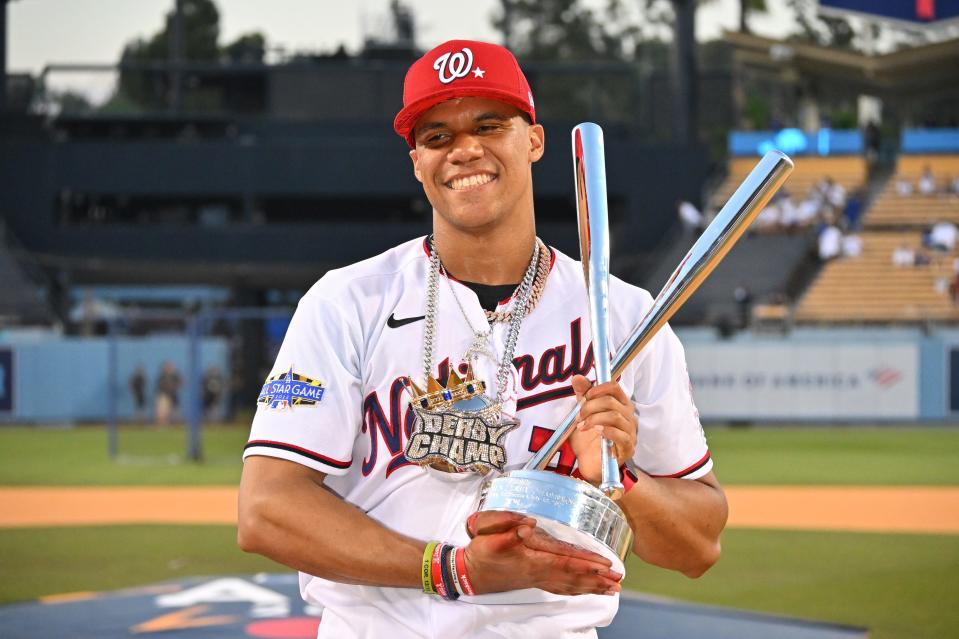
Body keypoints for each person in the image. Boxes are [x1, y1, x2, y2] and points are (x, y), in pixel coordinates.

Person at [238, 40, 726, 638]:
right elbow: (266, 512)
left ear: (535, 141)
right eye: (437, 136)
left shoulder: (623, 316)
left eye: (489, 125)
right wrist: (454, 570)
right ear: (416, 161)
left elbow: (698, 546)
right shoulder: (348, 302)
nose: (465, 149)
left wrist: (622, 480)